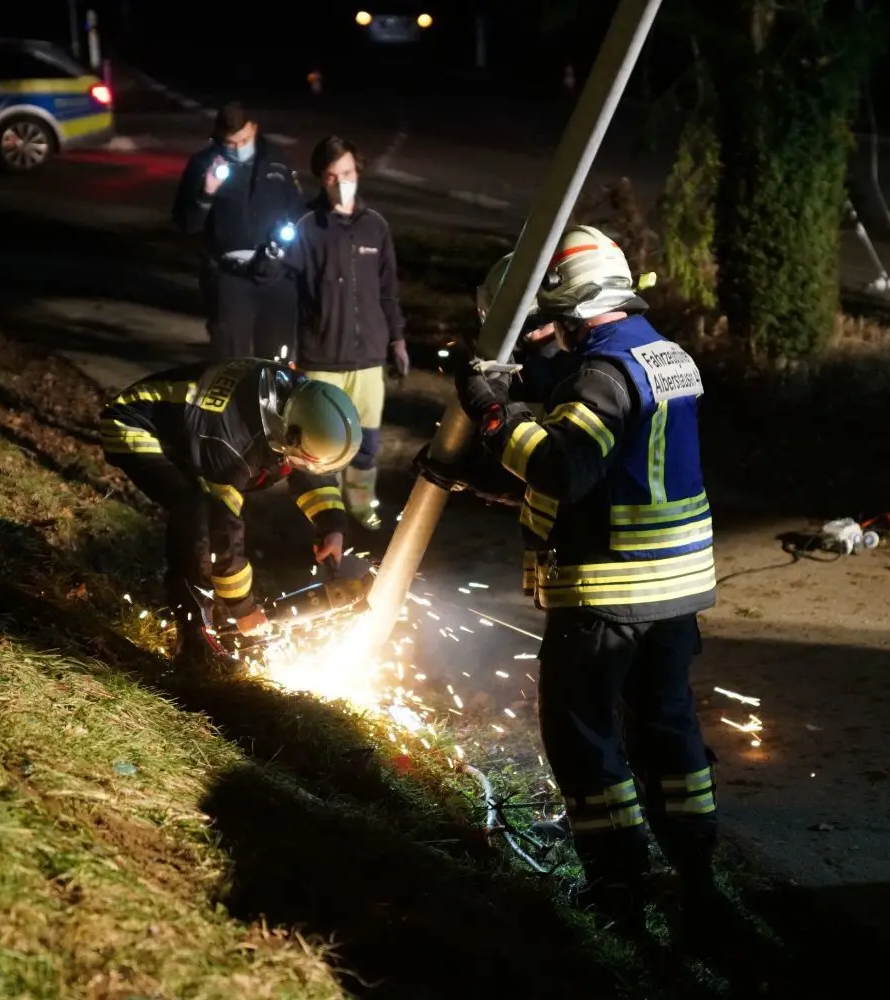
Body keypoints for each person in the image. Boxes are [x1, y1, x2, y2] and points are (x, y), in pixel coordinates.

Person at [454, 226, 723, 934]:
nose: (541, 328)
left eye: (547, 312)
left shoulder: (602, 373)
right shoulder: (663, 355)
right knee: (668, 734)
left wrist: (492, 413)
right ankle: (695, 875)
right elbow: (612, 466)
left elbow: (565, 467)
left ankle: (617, 891)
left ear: (568, 299)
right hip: (675, 589)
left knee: (582, 738)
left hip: (610, 592)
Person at [99, 359, 360, 672]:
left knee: (209, 511)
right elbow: (223, 532)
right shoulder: (228, 443)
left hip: (193, 431)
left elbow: (305, 464)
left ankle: (217, 614)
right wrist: (243, 608)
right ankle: (195, 642)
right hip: (133, 423)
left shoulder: (298, 399)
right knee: (195, 518)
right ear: (289, 433)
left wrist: (330, 523)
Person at [288, 135, 409, 530]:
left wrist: (397, 339)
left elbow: (388, 289)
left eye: (347, 172)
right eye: (331, 175)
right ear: (320, 180)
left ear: (358, 171)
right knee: (322, 446)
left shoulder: (375, 227)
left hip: (369, 356)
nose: (341, 181)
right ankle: (327, 517)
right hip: (322, 358)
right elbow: (288, 292)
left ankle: (361, 507)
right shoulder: (307, 227)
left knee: (367, 443)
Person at [173, 102, 303, 362]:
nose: (237, 148)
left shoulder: (276, 161)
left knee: (278, 360)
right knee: (230, 361)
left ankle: (273, 403)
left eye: (243, 140)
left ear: (254, 129)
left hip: (274, 274)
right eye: (229, 143)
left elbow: (297, 213)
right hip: (228, 278)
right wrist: (207, 192)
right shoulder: (203, 165)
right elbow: (187, 223)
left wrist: (287, 252)